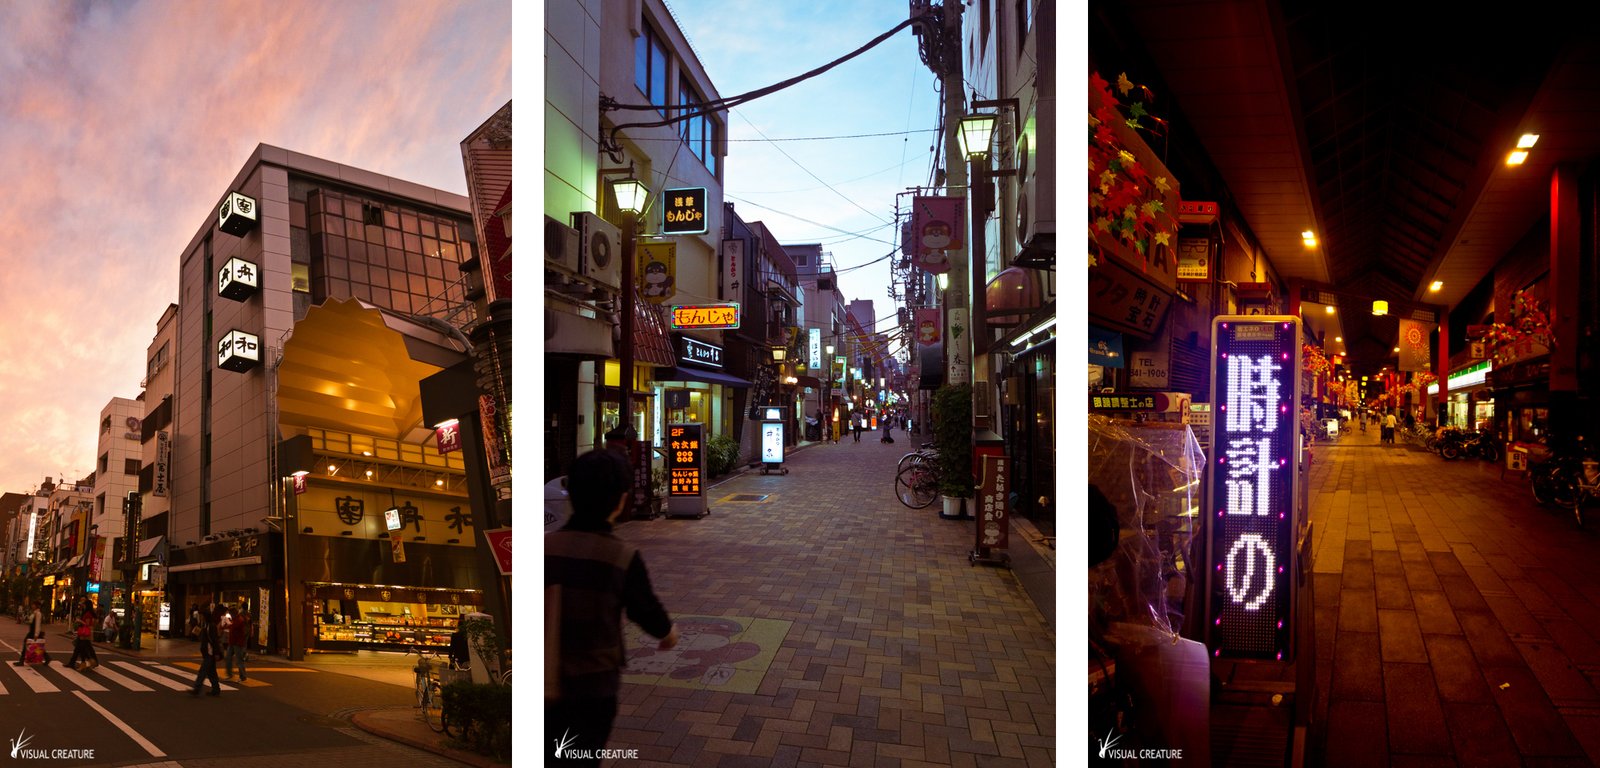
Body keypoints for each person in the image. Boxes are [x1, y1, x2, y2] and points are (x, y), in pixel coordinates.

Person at [547, 449, 678, 766]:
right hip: (594, 686)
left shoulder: (545, 546)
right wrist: (668, 633)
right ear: (621, 500)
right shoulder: (621, 556)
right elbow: (644, 608)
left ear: (572, 495)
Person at [190, 605, 224, 696]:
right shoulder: (206, 625)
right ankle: (216, 690)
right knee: (211, 672)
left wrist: (216, 653)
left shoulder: (211, 626)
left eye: (202, 616)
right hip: (208, 652)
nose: (201, 617)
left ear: (205, 617)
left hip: (210, 652)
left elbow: (214, 640)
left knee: (203, 671)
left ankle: (196, 689)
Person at [14, 600, 52, 667]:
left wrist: (36, 634)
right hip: (33, 631)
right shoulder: (35, 612)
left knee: (28, 644)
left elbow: (37, 624)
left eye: (33, 605)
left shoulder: (38, 613)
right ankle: (47, 658)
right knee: (38, 646)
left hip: (34, 632)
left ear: (36, 606)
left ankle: (21, 661)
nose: (32, 606)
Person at [224, 605, 251, 681]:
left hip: (237, 643)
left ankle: (242, 676)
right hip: (232, 642)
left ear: (233, 613)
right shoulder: (235, 619)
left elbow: (234, 628)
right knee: (228, 658)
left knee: (239, 660)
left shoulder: (239, 620)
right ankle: (230, 674)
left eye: (230, 613)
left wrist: (228, 623)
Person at [68, 604, 99, 670]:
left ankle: (90, 662)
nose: (83, 605)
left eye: (85, 604)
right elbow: (94, 622)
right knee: (81, 648)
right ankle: (85, 662)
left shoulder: (87, 614)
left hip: (85, 635)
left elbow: (87, 624)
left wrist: (79, 621)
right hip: (86, 634)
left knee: (82, 648)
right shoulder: (90, 613)